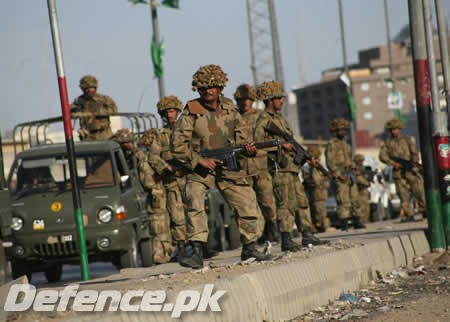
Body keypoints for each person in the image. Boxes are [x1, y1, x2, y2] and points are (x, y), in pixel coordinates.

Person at [171, 64, 271, 268]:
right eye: (203, 88)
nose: (208, 90)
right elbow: (177, 145)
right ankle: (197, 251)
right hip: (200, 166)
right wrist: (199, 160)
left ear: (220, 87)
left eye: (213, 86)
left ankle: (250, 247)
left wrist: (247, 149)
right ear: (197, 89)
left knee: (248, 202)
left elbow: (242, 136)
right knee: (194, 199)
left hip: (227, 164)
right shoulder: (191, 112)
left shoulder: (230, 109)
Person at [254, 80, 321, 250]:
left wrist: (307, 158)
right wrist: (280, 145)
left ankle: (307, 233)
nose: (282, 101)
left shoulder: (280, 119)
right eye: (279, 98)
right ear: (270, 100)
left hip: (291, 168)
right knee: (285, 204)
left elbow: (292, 144)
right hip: (280, 168)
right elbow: (257, 143)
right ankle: (286, 238)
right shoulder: (263, 119)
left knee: (301, 201)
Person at [233, 84, 279, 243]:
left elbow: (273, 143)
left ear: (252, 100)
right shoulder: (233, 118)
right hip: (242, 169)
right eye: (240, 100)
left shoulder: (262, 117)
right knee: (249, 204)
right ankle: (256, 235)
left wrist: (257, 151)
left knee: (267, 202)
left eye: (247, 99)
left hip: (261, 167)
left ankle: (272, 226)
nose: (244, 103)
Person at [147, 96, 187, 262]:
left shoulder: (187, 130)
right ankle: (183, 246)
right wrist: (167, 168)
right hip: (172, 180)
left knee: (196, 211)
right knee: (177, 215)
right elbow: (153, 156)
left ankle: (201, 245)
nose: (169, 115)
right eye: (166, 112)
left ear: (177, 112)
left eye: (172, 111)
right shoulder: (161, 135)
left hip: (190, 178)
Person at [137, 129, 174, 264]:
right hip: (156, 196)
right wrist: (162, 175)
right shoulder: (145, 159)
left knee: (167, 226)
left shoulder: (150, 157)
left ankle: (167, 254)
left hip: (162, 193)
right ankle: (160, 256)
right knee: (159, 228)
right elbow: (148, 181)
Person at [379, 117, 426, 222]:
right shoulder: (388, 143)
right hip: (398, 173)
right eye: (392, 130)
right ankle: (409, 214)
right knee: (402, 194)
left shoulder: (407, 140)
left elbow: (414, 153)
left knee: (419, 191)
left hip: (410, 170)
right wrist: (393, 163)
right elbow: (382, 156)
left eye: (395, 129)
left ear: (399, 129)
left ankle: (424, 210)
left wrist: (413, 164)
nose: (394, 131)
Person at [325, 118, 365, 230]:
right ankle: (344, 223)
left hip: (350, 174)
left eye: (343, 130)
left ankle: (357, 221)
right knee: (343, 200)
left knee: (355, 198)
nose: (342, 132)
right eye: (339, 130)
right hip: (341, 174)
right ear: (335, 131)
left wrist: (354, 169)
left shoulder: (346, 145)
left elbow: (350, 159)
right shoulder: (332, 145)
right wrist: (338, 174)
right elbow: (330, 162)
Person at [71, 75, 118, 141]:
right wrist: (78, 114)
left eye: (91, 87)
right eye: (86, 88)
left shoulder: (104, 99)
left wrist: (97, 113)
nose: (89, 90)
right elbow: (70, 112)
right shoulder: (79, 101)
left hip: (104, 134)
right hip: (87, 136)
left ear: (95, 88)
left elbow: (114, 110)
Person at [303, 146, 334, 232]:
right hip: (315, 193)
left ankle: (320, 226)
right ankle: (318, 226)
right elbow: (307, 179)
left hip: (320, 193)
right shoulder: (307, 166)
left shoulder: (320, 166)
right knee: (317, 211)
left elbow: (326, 178)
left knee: (320, 211)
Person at [354, 154, 371, 224]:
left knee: (366, 208)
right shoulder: (355, 169)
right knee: (361, 208)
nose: (361, 162)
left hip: (364, 191)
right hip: (359, 191)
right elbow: (358, 178)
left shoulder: (363, 168)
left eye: (362, 161)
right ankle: (361, 222)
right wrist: (366, 182)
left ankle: (365, 221)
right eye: (360, 161)